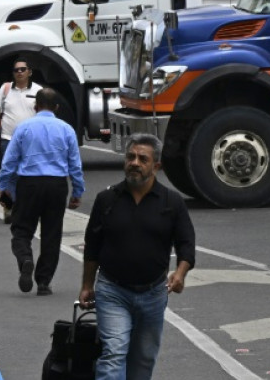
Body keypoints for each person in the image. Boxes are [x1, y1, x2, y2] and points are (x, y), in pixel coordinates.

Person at [79, 133, 195, 380]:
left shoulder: (171, 202)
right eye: (130, 157)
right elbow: (92, 245)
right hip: (112, 290)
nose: (135, 163)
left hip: (153, 294)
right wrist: (87, 284)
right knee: (114, 352)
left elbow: (186, 243)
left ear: (156, 166)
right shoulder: (107, 199)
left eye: (143, 159)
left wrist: (180, 273)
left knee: (143, 359)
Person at [0, 88, 83, 296]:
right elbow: (75, 164)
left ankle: (25, 258)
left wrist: (4, 187)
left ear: (35, 107)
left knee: (21, 229)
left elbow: (9, 161)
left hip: (29, 184)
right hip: (57, 185)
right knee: (52, 234)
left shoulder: (24, 127)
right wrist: (77, 191)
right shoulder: (66, 129)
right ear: (57, 108)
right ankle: (44, 282)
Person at [0, 56, 43, 224]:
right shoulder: (5, 89)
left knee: (30, 175)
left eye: (23, 69)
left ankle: (26, 208)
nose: (19, 72)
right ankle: (9, 208)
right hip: (8, 140)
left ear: (30, 72)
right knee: (9, 174)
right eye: (16, 70)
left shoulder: (38, 90)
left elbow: (44, 114)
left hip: (31, 141)